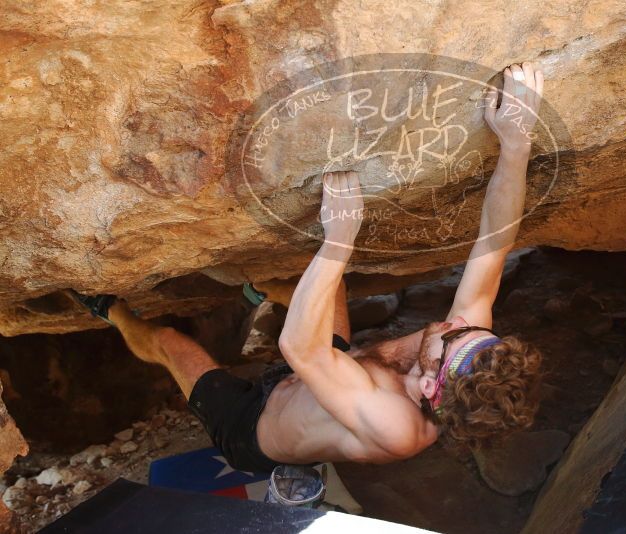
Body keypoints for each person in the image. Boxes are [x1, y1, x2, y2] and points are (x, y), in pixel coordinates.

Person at [73, 62, 545, 472]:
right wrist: (516, 143)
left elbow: (300, 347)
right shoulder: (464, 351)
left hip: (253, 423)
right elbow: (494, 245)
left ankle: (109, 310)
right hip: (326, 372)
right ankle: (259, 294)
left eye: (452, 335)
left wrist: (339, 239)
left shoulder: (396, 427)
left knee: (172, 343)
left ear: (428, 386)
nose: (459, 322)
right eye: (473, 330)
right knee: (329, 291)